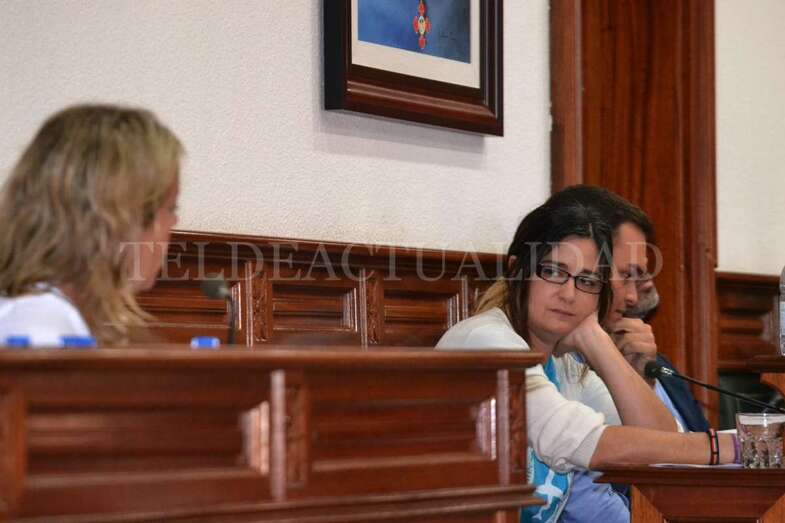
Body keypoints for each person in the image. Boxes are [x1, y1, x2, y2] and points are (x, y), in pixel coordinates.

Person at [436, 195, 737, 523]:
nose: (569, 294)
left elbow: (662, 444)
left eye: (587, 281)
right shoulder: (484, 341)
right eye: (553, 271)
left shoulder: (566, 366)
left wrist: (596, 340)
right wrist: (723, 446)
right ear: (516, 272)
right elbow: (577, 440)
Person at [544, 186, 709, 523]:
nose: (634, 298)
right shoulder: (547, 360)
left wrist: (641, 381)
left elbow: (678, 457)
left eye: (641, 278)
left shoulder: (654, 363)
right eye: (625, 275)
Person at [0, 104, 183, 346]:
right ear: (119, 217)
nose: (174, 223)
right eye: (170, 209)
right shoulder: (42, 330)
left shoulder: (63, 315)